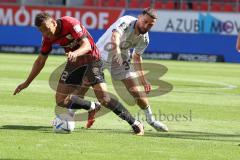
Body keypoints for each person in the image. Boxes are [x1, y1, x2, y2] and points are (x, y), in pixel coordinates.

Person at [13, 12, 144, 135]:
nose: (46, 34)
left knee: (104, 98)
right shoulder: (47, 37)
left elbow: (87, 45)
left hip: (92, 59)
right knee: (60, 101)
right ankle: (93, 106)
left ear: (53, 22)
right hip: (75, 62)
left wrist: (75, 53)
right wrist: (26, 83)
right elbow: (40, 61)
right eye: (42, 31)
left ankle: (135, 123)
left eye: (47, 29)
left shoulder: (70, 23)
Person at [78, 8, 168, 132]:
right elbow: (115, 35)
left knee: (135, 91)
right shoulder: (126, 21)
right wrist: (118, 52)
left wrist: (143, 80)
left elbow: (137, 57)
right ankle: (85, 110)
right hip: (99, 56)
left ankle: (151, 120)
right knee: (81, 91)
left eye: (150, 25)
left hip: (120, 60)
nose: (146, 26)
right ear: (140, 17)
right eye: (145, 21)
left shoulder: (145, 39)